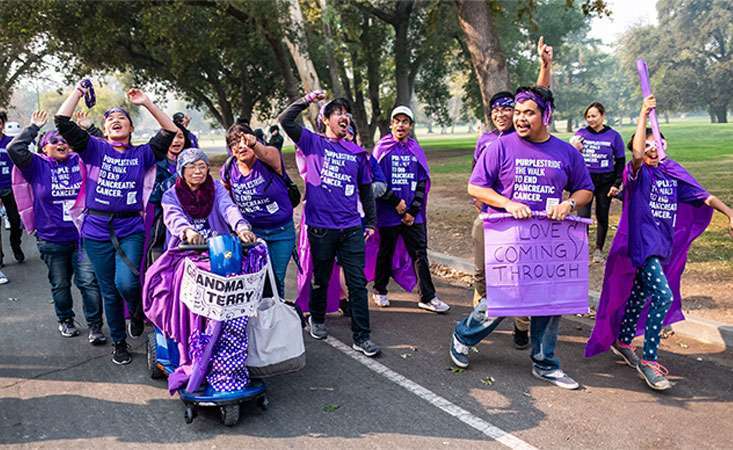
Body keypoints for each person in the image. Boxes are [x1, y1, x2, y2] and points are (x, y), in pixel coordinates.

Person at [449, 86, 593, 390]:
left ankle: (545, 363)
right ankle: (463, 335)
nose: (520, 118)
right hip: (509, 240)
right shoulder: (500, 147)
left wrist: (569, 204)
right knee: (503, 299)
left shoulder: (565, 152)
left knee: (549, 302)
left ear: (546, 115)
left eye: (528, 112)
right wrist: (508, 203)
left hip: (549, 242)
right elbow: (476, 187)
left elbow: (585, 189)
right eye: (517, 112)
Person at [585, 95, 733, 391]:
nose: (653, 148)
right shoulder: (636, 173)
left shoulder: (673, 171)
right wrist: (643, 114)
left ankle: (623, 340)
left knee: (640, 296)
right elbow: (637, 154)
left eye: (659, 143)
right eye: (648, 143)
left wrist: (729, 213)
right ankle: (649, 361)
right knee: (662, 297)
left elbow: (703, 195)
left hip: (663, 247)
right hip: (642, 247)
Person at [54, 83, 177, 365]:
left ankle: (135, 310)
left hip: (130, 228)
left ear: (131, 129)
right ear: (105, 130)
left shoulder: (143, 154)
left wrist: (146, 103)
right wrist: (76, 92)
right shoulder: (93, 148)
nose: (116, 121)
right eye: (110, 119)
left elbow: (170, 131)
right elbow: (61, 120)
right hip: (96, 229)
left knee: (128, 283)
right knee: (108, 289)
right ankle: (119, 343)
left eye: (123, 118)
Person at [279, 91, 381, 357]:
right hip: (321, 228)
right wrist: (307, 100)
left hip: (351, 228)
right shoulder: (313, 143)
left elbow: (366, 189)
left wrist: (370, 221)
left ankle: (362, 337)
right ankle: (318, 319)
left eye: (346, 113)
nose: (344, 117)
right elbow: (285, 120)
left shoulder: (357, 153)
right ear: (325, 119)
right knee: (321, 278)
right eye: (338, 112)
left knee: (357, 283)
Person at [469, 37, 554, 349]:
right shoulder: (487, 142)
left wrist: (545, 66)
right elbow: (476, 181)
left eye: (512, 109)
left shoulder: (527, 138)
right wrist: (486, 204)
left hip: (522, 221)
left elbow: (539, 96)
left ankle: (521, 325)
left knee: (520, 280)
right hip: (490, 219)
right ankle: (476, 325)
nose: (505, 114)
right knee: (482, 276)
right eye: (498, 109)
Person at [7, 111, 105, 343]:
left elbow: (103, 149)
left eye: (64, 140)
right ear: (43, 148)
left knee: (89, 283)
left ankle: (95, 327)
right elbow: (14, 150)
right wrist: (33, 127)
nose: (61, 143)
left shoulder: (80, 160)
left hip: (83, 237)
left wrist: (88, 128)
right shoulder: (37, 166)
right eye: (54, 141)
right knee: (60, 284)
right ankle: (66, 320)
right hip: (51, 239)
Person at [371, 105, 448, 313]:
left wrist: (412, 211)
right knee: (385, 252)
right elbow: (377, 182)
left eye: (405, 121)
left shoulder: (416, 150)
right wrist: (396, 202)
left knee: (420, 254)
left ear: (411, 126)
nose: (400, 125)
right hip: (388, 213)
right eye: (397, 121)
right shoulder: (382, 149)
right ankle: (380, 289)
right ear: (391, 125)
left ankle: (428, 296)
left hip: (413, 216)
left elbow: (423, 182)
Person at [220, 123, 295, 298]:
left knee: (275, 278)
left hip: (281, 233)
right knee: (253, 277)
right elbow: (225, 198)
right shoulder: (229, 168)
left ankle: (275, 316)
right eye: (234, 143)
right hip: (252, 234)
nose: (240, 146)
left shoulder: (269, 157)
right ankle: (256, 320)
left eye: (244, 140)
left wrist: (253, 143)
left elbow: (267, 154)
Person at [162, 148, 255, 248]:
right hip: (184, 248)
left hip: (219, 247)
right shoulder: (170, 195)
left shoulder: (216, 188)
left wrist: (241, 227)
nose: (197, 171)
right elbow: (174, 217)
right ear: (181, 170)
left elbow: (228, 208)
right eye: (191, 167)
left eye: (202, 167)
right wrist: (188, 232)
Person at [570, 102, 625, 263]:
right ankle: (581, 250)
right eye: (588, 116)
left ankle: (598, 250)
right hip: (585, 182)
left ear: (602, 116)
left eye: (594, 116)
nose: (591, 119)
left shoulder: (614, 136)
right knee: (582, 216)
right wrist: (575, 148)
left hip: (605, 182)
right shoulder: (580, 134)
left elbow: (620, 161)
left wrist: (616, 183)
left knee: (602, 215)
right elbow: (571, 158)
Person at [146, 122, 192, 264]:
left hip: (187, 217)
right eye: (172, 137)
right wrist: (178, 178)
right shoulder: (155, 162)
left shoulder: (192, 161)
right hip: (158, 219)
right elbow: (152, 195)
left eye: (180, 137)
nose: (176, 141)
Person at [0, 110, 25, 267]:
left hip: (10, 188)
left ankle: (15, 244)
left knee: (15, 221)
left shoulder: (11, 143)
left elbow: (21, 164)